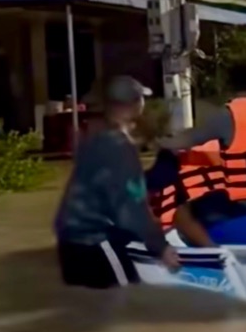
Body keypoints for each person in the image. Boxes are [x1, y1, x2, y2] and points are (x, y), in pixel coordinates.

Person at [53, 76, 180, 288]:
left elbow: (107, 187)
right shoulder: (121, 148)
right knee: (127, 300)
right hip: (97, 245)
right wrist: (161, 247)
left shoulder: (94, 139)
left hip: (70, 244)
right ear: (136, 104)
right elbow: (130, 210)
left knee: (94, 307)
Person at [158, 64, 246, 242]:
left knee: (181, 211)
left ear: (228, 85)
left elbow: (185, 141)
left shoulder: (228, 114)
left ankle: (213, 252)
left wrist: (158, 141)